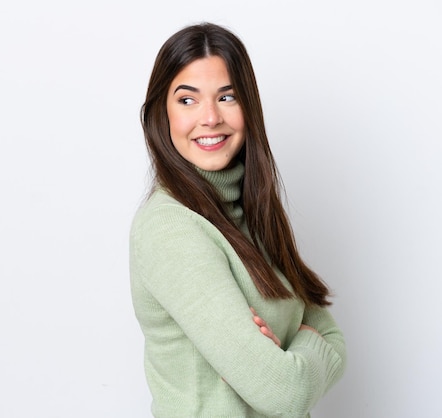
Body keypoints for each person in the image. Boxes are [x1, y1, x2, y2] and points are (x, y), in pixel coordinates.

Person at [129, 22, 346, 417]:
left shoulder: (255, 214)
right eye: (187, 100)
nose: (210, 118)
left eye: (226, 96)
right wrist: (301, 340)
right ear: (162, 113)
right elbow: (286, 393)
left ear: (248, 106)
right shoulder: (171, 228)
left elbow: (333, 334)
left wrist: (285, 347)